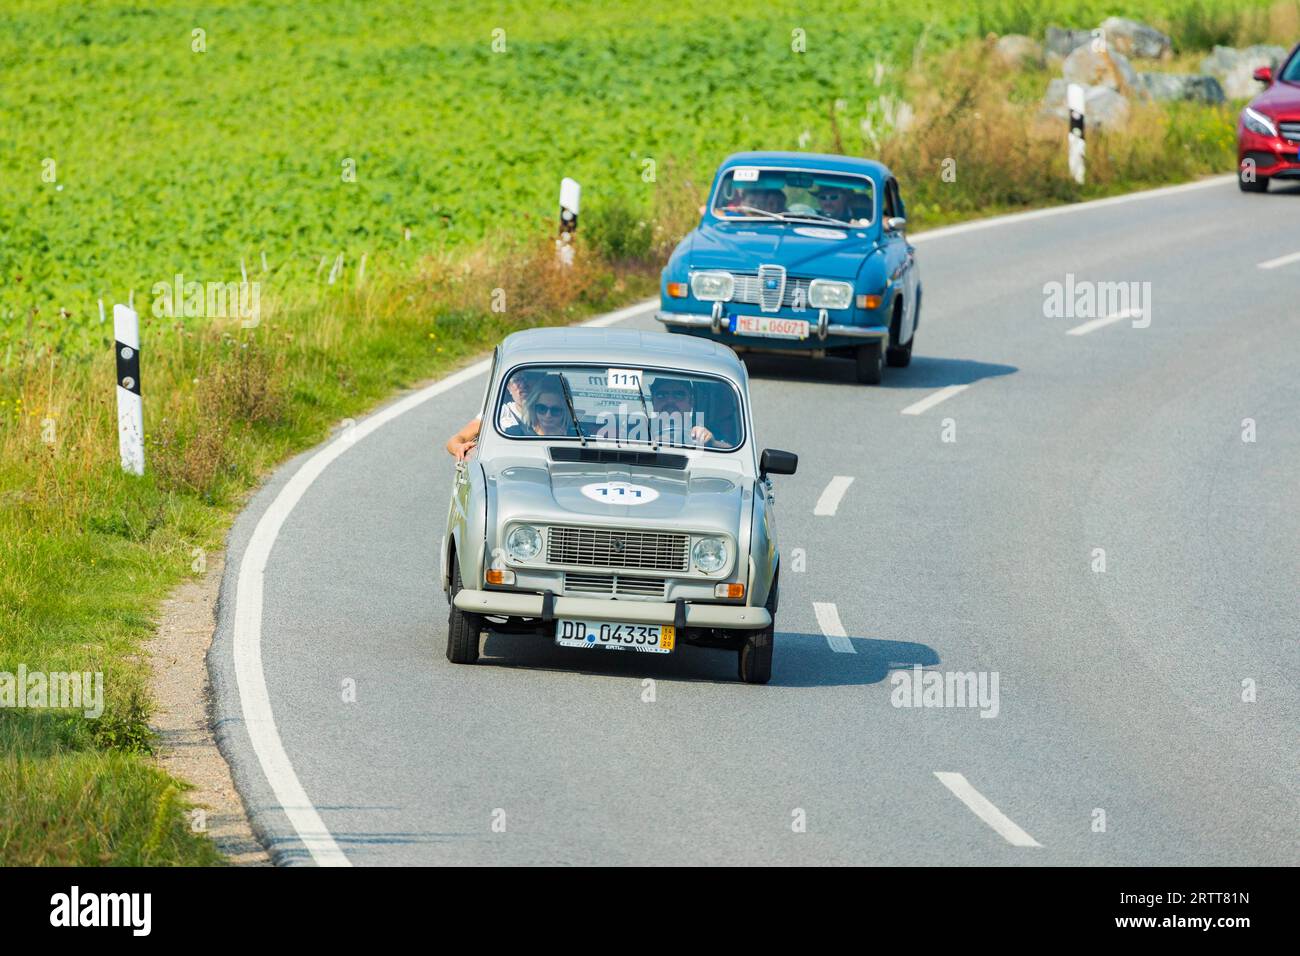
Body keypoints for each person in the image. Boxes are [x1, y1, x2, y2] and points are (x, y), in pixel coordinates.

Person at [444, 368, 541, 460]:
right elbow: (459, 438)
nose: (523, 384)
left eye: (527, 379)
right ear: (509, 387)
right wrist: (459, 447)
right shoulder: (498, 413)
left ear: (538, 384)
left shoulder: (552, 411)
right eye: (517, 380)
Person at [649, 376, 725, 448]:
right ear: (653, 401)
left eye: (679, 395)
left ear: (691, 401)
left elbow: (733, 452)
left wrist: (712, 443)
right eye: (661, 395)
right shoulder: (643, 429)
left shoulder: (706, 429)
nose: (670, 401)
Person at [505, 376, 574, 437]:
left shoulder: (577, 437)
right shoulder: (514, 434)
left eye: (555, 410)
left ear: (566, 410)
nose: (548, 415)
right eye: (542, 408)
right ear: (533, 408)